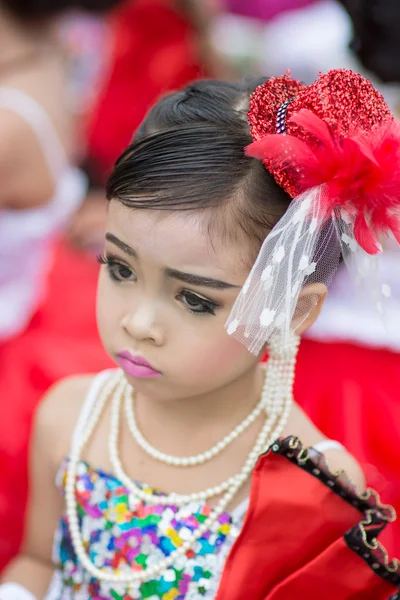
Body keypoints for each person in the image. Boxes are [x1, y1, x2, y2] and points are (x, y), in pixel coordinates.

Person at [1, 70, 400, 599]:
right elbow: (36, 557)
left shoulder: (311, 486)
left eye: (194, 299)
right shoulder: (71, 415)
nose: (138, 322)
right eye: (119, 267)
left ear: (293, 310)